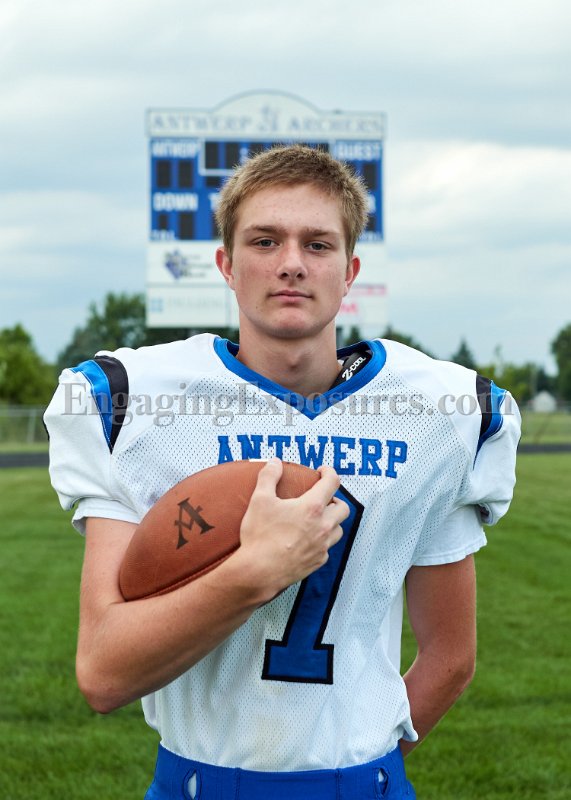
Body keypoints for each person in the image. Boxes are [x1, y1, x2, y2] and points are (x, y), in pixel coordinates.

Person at [44, 144, 520, 800]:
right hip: (197, 783)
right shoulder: (135, 401)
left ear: (349, 271)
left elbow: (450, 657)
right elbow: (103, 674)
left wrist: (362, 762)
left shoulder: (439, 413)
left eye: (317, 244)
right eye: (264, 241)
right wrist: (254, 573)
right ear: (226, 264)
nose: (291, 263)